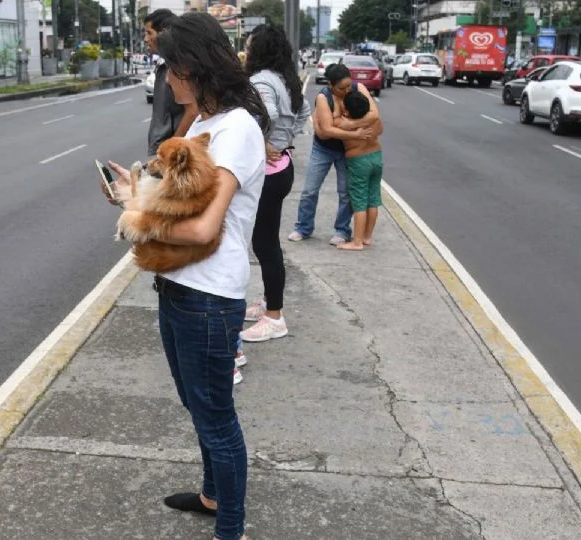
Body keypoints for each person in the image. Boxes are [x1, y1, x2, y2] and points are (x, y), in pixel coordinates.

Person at [103, 12, 268, 540]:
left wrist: (137, 225)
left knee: (216, 416)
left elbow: (202, 230)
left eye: (172, 67)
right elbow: (177, 205)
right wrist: (136, 196)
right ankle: (213, 494)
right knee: (196, 403)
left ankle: (231, 527)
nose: (167, 79)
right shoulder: (200, 123)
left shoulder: (237, 129)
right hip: (178, 287)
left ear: (194, 67)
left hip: (210, 296)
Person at [239, 24, 311, 345]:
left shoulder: (261, 80)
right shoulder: (287, 78)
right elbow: (304, 112)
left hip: (267, 172)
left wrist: (262, 141)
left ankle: (275, 318)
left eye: (249, 45)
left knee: (265, 245)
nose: (245, 50)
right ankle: (270, 304)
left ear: (260, 50)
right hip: (282, 167)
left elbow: (262, 112)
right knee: (266, 242)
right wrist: (283, 141)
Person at [288, 63, 378, 246]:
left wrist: (345, 125)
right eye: (341, 88)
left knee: (346, 193)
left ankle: (342, 230)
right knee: (309, 190)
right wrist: (355, 133)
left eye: (348, 85)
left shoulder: (358, 88)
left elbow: (374, 115)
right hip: (323, 149)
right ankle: (303, 227)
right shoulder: (324, 97)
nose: (346, 91)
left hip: (348, 152)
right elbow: (326, 131)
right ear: (330, 84)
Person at [333, 91, 383, 251]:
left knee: (359, 200)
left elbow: (334, 123)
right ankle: (367, 237)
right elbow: (380, 129)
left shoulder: (344, 124)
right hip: (376, 156)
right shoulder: (373, 120)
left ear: (347, 110)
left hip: (358, 161)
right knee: (373, 198)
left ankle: (357, 242)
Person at [144, 8, 198, 156]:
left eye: (149, 33)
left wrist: (172, 148)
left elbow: (192, 111)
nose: (145, 39)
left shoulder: (176, 65)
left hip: (173, 154)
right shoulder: (164, 64)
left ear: (164, 32)